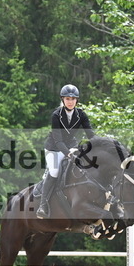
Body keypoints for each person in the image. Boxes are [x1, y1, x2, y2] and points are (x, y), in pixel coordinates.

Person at [36, 84, 95, 218]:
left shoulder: (81, 115)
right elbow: (58, 141)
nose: (70, 101)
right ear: (63, 99)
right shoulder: (56, 115)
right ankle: (43, 205)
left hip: (71, 145)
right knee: (55, 171)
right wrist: (68, 153)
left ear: (76, 100)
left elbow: (91, 134)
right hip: (54, 148)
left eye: (73, 99)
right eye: (67, 99)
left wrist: (100, 144)